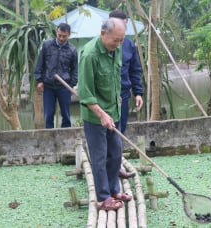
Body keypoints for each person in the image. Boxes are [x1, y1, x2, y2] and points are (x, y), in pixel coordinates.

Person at [78, 18, 132, 210]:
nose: (118, 44)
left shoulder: (116, 50)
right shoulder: (89, 55)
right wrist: (101, 114)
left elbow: (115, 77)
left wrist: (116, 98)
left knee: (115, 153)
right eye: (115, 40)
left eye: (121, 40)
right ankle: (102, 198)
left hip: (113, 111)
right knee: (99, 157)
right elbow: (85, 92)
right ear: (103, 33)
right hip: (95, 117)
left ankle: (113, 189)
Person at [109, 9, 144, 179]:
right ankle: (107, 169)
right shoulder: (101, 44)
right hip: (105, 96)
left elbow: (135, 70)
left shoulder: (129, 45)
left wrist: (138, 92)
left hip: (123, 93)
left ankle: (117, 166)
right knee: (106, 131)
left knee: (120, 130)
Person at [34, 23, 78, 128]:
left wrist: (71, 85)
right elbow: (40, 64)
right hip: (48, 86)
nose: (61, 38)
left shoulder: (72, 50)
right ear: (56, 33)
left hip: (64, 87)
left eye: (64, 36)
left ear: (69, 35)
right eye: (59, 35)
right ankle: (50, 138)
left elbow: (75, 70)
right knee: (48, 115)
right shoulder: (46, 45)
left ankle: (65, 139)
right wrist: (39, 81)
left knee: (66, 116)